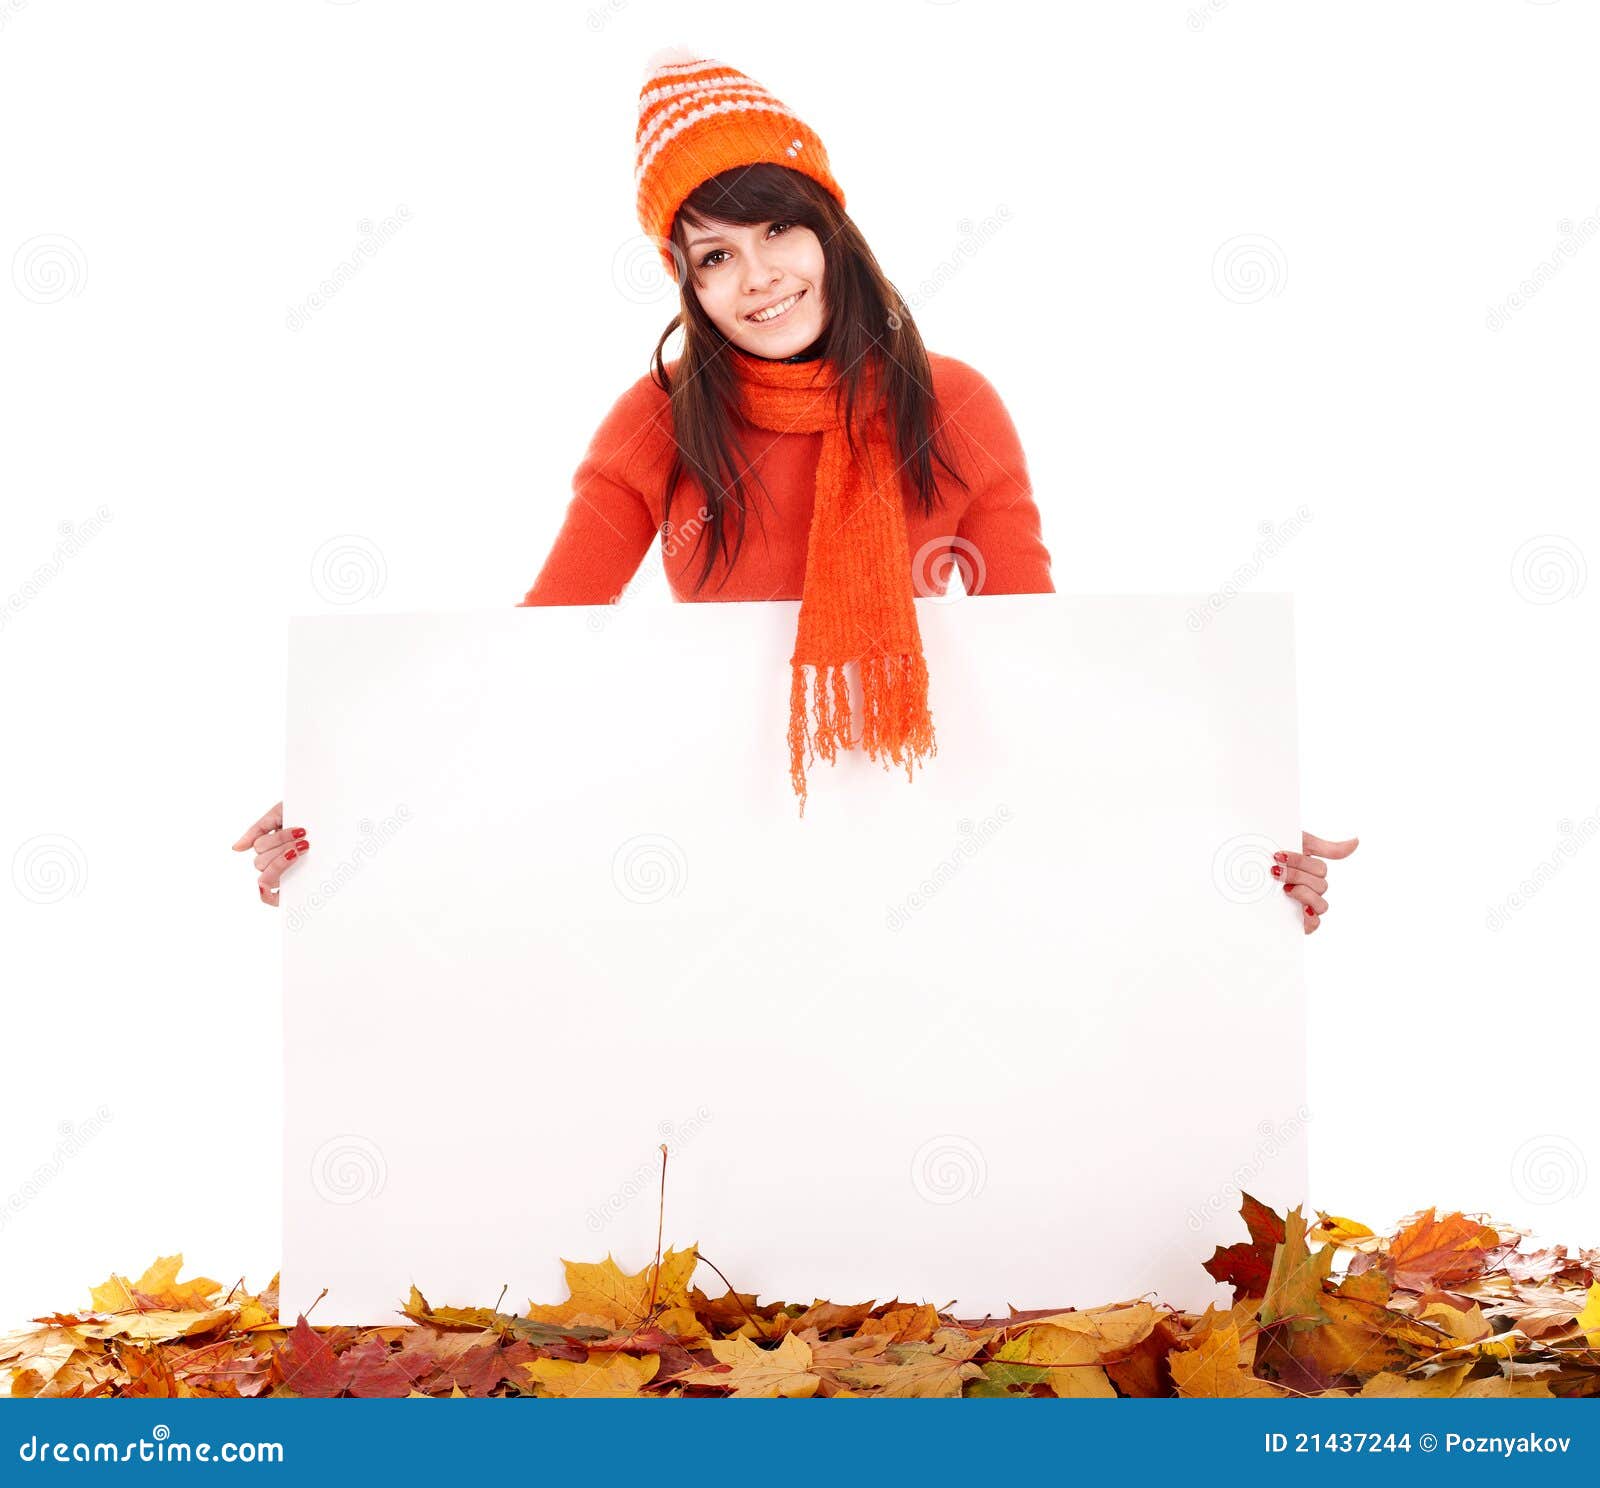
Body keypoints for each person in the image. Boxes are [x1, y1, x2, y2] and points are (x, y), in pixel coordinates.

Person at [235, 51, 1356, 928]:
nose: (757, 275)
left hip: (940, 855)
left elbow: (1041, 664)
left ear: (831, 229)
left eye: (777, 229)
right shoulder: (661, 423)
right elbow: (541, 657)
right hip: (719, 855)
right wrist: (353, 796)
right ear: (686, 279)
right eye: (712, 255)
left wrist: (1229, 830)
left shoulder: (954, 405)